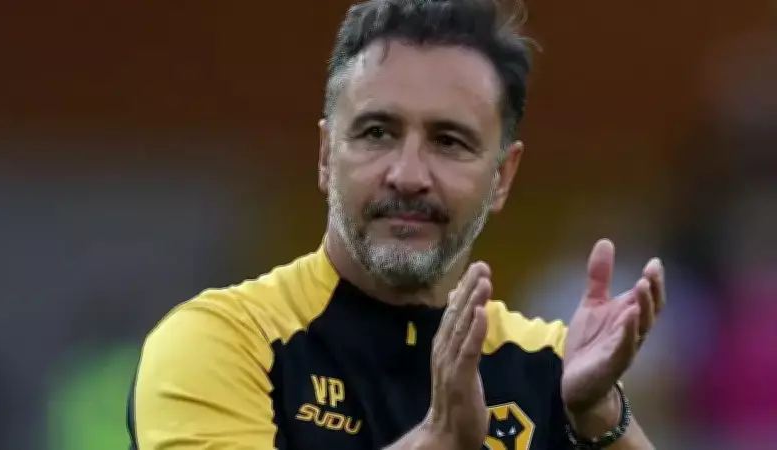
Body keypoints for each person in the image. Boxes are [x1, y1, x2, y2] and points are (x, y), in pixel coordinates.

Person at [127, 0, 666, 448]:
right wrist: (435, 441)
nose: (408, 175)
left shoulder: (548, 367)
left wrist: (599, 414)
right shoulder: (221, 344)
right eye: (377, 133)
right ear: (325, 155)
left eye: (448, 142)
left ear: (502, 177)